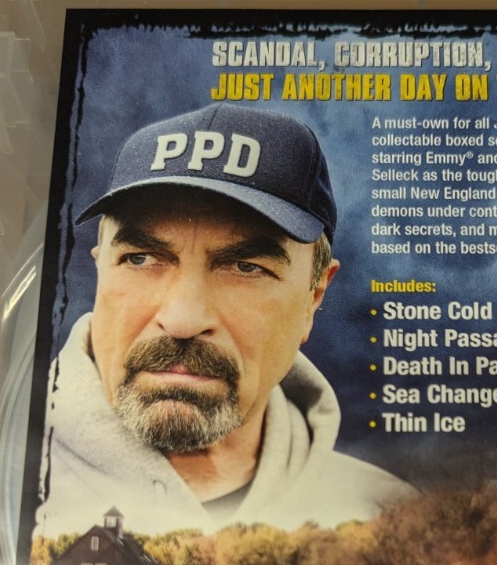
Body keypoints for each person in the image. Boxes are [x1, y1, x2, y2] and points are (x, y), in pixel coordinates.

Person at [35, 104, 412, 537]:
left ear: (313, 297)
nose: (182, 320)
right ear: (101, 266)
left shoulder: (391, 522)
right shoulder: (1, 472)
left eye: (246, 267)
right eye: (140, 259)